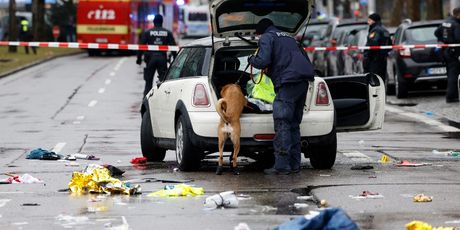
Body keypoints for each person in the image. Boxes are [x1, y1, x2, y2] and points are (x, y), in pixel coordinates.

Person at [248, 19, 315, 175]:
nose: (259, 38)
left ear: (261, 31)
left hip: (288, 82)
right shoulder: (290, 37)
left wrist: (252, 59)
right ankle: (294, 165)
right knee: (293, 125)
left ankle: (282, 166)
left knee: (283, 123)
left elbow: (263, 60)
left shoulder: (267, 37)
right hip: (302, 82)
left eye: (258, 35)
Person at [136, 15, 177, 97]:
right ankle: (163, 100)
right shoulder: (167, 33)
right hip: (162, 59)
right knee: (163, 83)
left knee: (148, 83)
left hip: (150, 59)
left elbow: (141, 46)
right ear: (162, 22)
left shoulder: (148, 32)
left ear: (154, 22)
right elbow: (173, 47)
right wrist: (175, 59)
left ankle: (146, 102)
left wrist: (139, 59)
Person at [435, 7, 460, 103]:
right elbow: (458, 38)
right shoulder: (456, 24)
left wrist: (444, 41)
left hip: (447, 51)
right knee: (454, 75)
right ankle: (451, 96)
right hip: (455, 52)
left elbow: (436, 33)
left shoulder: (446, 22)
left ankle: (452, 95)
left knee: (450, 74)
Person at [363, 13, 390, 82]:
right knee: (381, 79)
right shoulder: (385, 30)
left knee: (374, 80)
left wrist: (368, 56)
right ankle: (382, 92)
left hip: (374, 60)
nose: (368, 22)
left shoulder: (375, 30)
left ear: (373, 21)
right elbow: (390, 45)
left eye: (369, 20)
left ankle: (375, 93)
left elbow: (373, 44)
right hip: (383, 59)